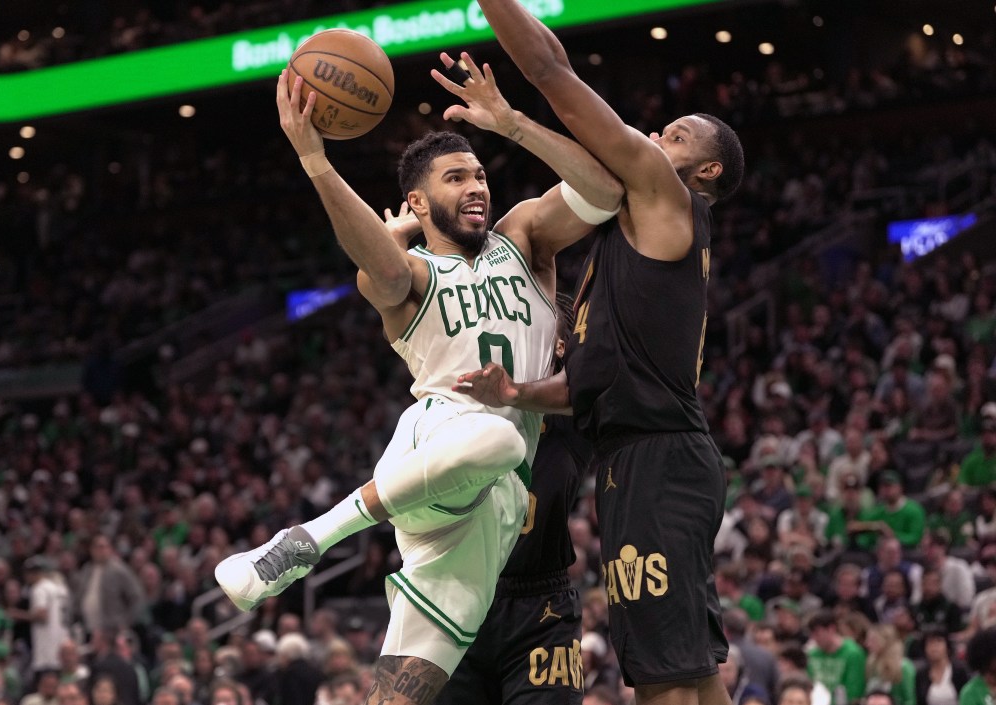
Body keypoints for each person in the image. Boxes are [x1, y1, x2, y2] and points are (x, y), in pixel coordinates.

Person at [216, 55, 623, 705]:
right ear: (415, 200)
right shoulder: (412, 279)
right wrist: (317, 160)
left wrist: (513, 124)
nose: (476, 187)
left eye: (480, 174)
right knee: (502, 439)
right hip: (435, 443)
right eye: (456, 177)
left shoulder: (523, 238)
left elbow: (605, 189)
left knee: (398, 695)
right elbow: (378, 265)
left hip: (492, 508)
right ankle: (305, 540)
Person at [454, 3, 745, 703]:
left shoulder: (667, 195)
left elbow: (550, 66)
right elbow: (587, 381)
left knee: (663, 678)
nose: (651, 135)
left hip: (656, 458)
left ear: (702, 168)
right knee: (688, 669)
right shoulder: (630, 239)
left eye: (672, 134)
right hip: (643, 456)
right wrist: (516, 393)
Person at [435, 294, 592, 705]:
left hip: (541, 603)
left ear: (559, 344)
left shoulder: (572, 415)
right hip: (459, 594)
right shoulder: (459, 403)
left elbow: (600, 379)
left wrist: (515, 390)